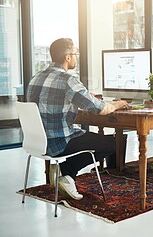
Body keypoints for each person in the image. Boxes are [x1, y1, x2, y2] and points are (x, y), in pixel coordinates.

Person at [26, 38, 129, 200]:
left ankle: (63, 171)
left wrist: (85, 97)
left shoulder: (35, 77)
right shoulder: (68, 80)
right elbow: (100, 109)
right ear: (67, 57)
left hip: (36, 142)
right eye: (75, 53)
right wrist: (118, 103)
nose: (77, 57)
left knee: (87, 137)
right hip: (58, 142)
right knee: (112, 143)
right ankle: (67, 173)